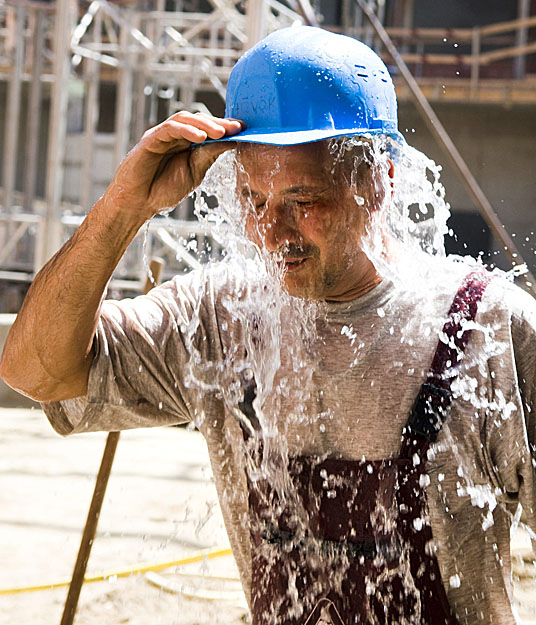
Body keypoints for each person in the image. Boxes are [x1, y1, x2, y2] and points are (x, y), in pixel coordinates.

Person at [1, 25, 535, 625]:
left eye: (303, 203)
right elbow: (35, 371)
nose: (272, 234)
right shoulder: (217, 319)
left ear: (378, 181)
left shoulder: (485, 331)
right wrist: (126, 206)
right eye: (256, 202)